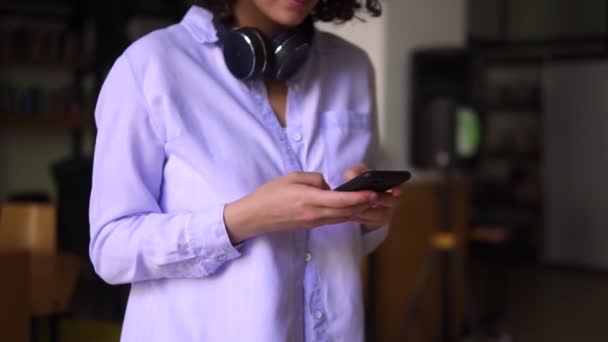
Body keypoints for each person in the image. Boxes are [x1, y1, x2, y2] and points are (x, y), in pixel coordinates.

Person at [89, 0, 401, 340]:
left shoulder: (352, 67)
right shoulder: (151, 65)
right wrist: (242, 220)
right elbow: (111, 250)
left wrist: (369, 219)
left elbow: (355, 243)